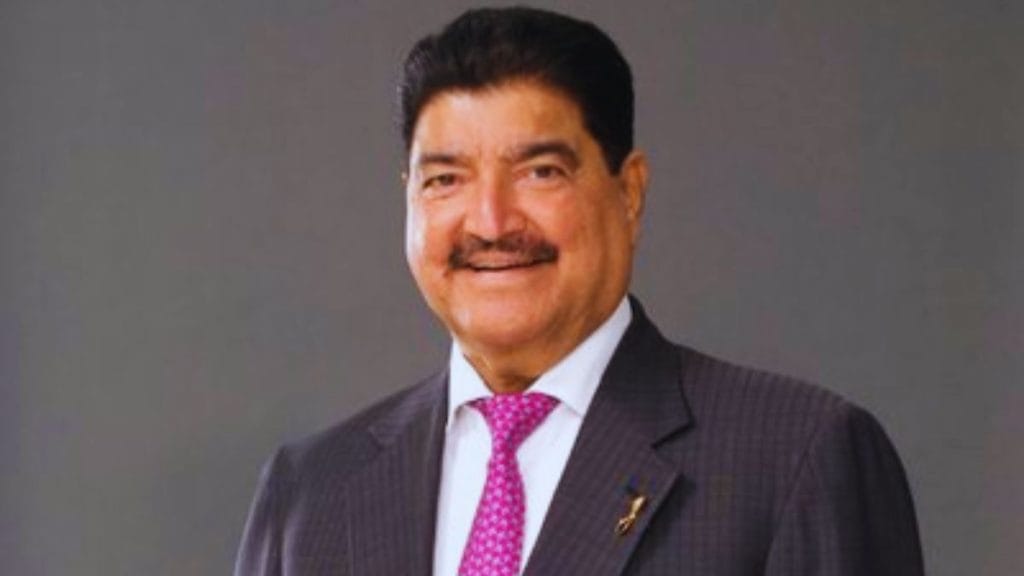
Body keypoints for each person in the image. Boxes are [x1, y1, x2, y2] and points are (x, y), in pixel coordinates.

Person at [234, 7, 924, 575]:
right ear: (409, 199)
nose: (491, 222)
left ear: (630, 192)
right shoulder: (310, 492)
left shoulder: (795, 457)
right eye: (446, 180)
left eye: (540, 172)